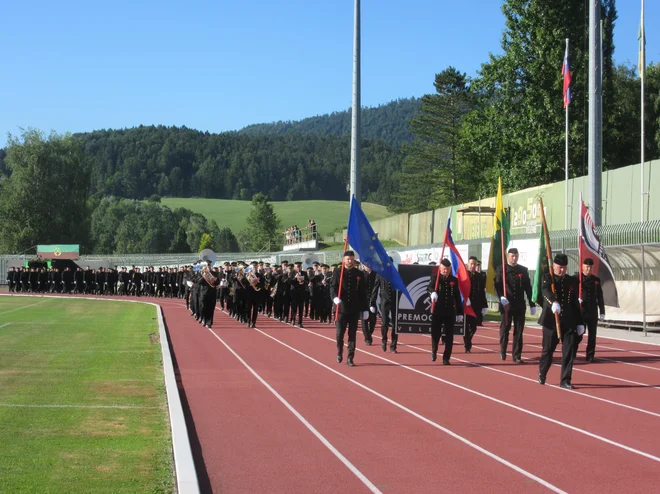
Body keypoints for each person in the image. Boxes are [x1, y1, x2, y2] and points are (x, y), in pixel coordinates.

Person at [537, 254, 585, 389]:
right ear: (554, 266)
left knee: (569, 351)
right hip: (551, 322)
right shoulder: (548, 278)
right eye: (559, 267)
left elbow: (575, 302)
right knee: (548, 350)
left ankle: (565, 380)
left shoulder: (572, 281)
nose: (562, 270)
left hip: (568, 321)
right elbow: (545, 291)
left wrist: (580, 322)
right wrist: (553, 302)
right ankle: (542, 371)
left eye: (564, 267)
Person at [495, 247, 536, 362]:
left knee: (518, 331)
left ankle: (517, 356)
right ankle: (503, 350)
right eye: (512, 256)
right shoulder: (501, 269)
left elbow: (528, 288)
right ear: (508, 256)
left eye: (516, 256)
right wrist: (501, 297)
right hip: (506, 305)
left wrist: (531, 303)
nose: (514, 258)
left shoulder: (523, 270)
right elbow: (497, 285)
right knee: (505, 329)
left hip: (519, 305)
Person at [331, 251, 368, 367]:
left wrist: (365, 308)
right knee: (339, 334)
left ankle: (350, 357)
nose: (350, 261)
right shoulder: (338, 272)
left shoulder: (359, 274)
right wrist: (334, 298)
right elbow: (332, 287)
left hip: (354, 309)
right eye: (348, 259)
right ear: (344, 260)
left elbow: (362, 293)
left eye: (352, 259)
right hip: (341, 308)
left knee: (352, 335)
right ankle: (339, 351)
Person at [427, 258, 464, 365]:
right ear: (440, 268)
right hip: (437, 311)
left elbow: (457, 297)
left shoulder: (454, 280)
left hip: (449, 312)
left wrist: (460, 312)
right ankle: (434, 350)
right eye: (443, 269)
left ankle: (446, 357)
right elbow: (428, 287)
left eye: (447, 269)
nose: (445, 271)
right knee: (435, 334)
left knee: (449, 336)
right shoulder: (435, 278)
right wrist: (432, 292)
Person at [577, 258, 606, 362]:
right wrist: (576, 299)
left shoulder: (596, 280)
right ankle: (572, 351)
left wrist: (602, 311)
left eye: (591, 267)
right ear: (583, 267)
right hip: (581, 311)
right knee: (578, 334)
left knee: (592, 335)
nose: (589, 269)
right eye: (587, 267)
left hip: (592, 311)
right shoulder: (577, 278)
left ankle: (590, 355)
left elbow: (600, 297)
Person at [370, 259, 398, 353]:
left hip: (395, 302)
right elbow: (375, 288)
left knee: (395, 325)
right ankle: (384, 340)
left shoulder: (396, 274)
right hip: (384, 301)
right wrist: (372, 302)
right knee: (385, 323)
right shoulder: (380, 274)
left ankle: (393, 346)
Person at [465, 256, 488, 353]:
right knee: (466, 326)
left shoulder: (480, 277)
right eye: (471, 264)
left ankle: (468, 340)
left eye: (475, 264)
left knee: (474, 327)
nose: (473, 266)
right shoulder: (464, 275)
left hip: (476, 305)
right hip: (466, 305)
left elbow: (482, 292)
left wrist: (485, 305)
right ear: (468, 264)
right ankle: (467, 345)